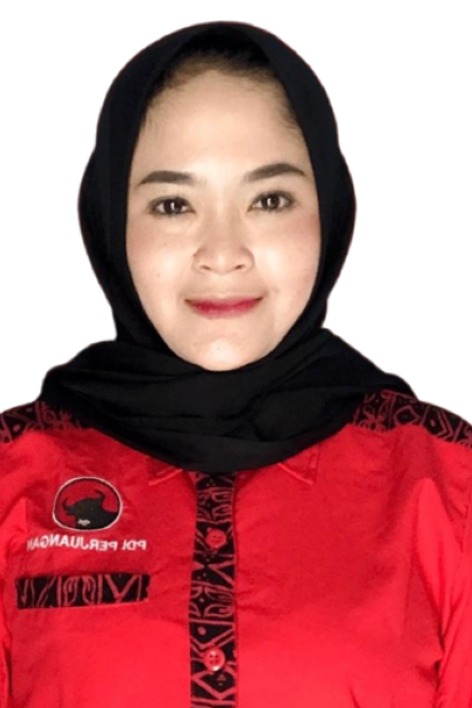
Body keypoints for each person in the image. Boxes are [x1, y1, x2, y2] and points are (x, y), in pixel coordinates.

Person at [0, 20, 471, 708]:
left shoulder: (446, 486)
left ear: (330, 211)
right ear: (110, 223)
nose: (223, 253)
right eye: (173, 205)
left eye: (269, 200)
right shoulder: (16, 477)